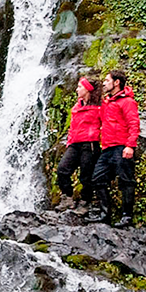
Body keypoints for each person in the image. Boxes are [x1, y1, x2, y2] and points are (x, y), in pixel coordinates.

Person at [84, 70, 140, 228]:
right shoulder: (107, 102)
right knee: (97, 179)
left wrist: (130, 145)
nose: (104, 83)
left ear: (116, 82)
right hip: (107, 147)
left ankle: (127, 217)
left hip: (122, 146)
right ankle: (105, 214)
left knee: (126, 181)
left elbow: (134, 124)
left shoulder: (127, 102)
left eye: (107, 81)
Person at [54, 76, 103, 212]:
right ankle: (67, 197)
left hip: (90, 144)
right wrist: (69, 141)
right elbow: (73, 125)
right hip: (75, 143)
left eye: (80, 87)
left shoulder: (99, 107)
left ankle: (85, 202)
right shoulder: (77, 105)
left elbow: (107, 124)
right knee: (62, 169)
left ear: (88, 90)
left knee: (86, 176)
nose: (77, 89)